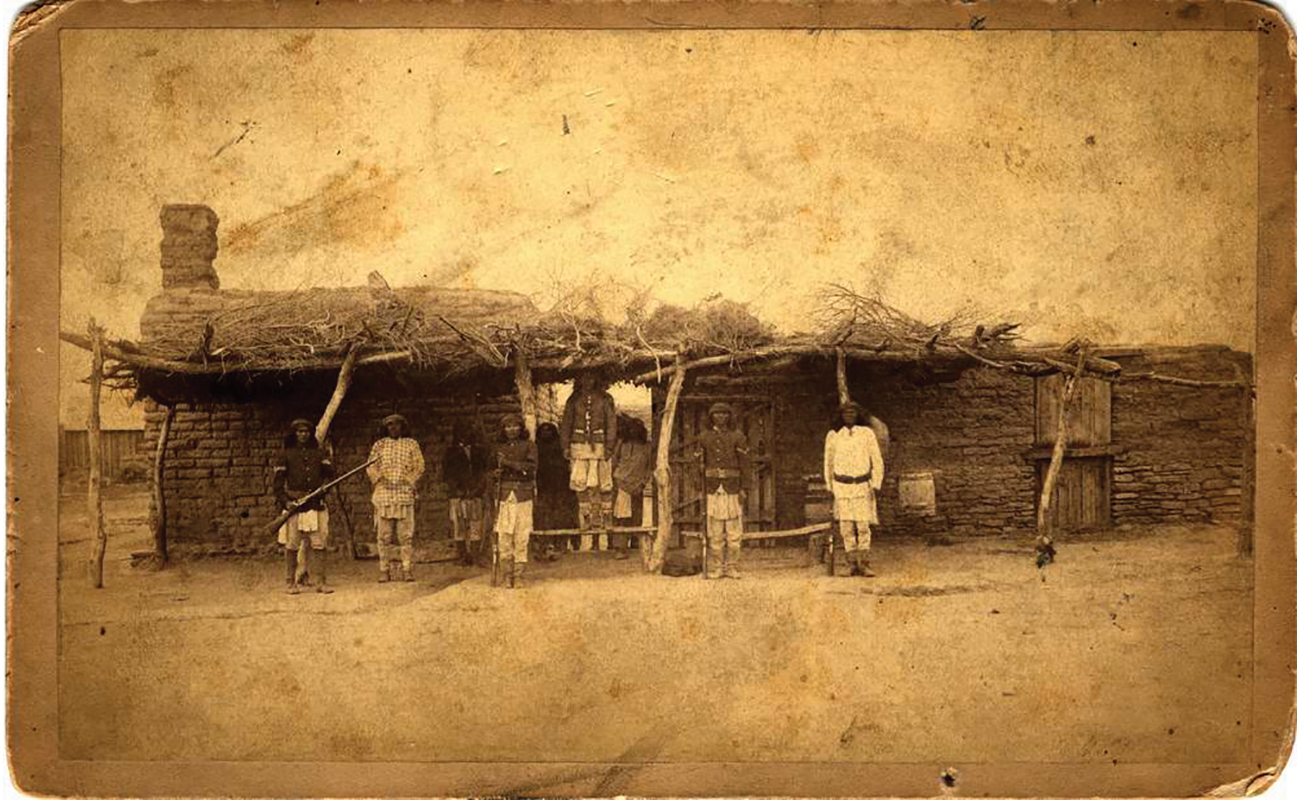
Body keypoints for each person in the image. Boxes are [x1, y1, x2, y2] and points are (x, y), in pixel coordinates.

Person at [272, 418, 335, 594]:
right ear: (294, 434)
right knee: (292, 545)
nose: (303, 435)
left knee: (319, 543)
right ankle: (290, 583)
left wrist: (325, 486)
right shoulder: (285, 454)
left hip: (316, 504)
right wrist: (286, 502)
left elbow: (330, 476)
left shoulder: (319, 454)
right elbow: (277, 485)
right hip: (295, 505)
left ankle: (321, 582)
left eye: (306, 432)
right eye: (299, 432)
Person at [823, 401, 885, 577]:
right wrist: (829, 485)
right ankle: (851, 564)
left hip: (862, 486)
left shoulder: (867, 434)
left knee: (863, 526)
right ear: (841, 416)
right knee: (846, 527)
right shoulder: (834, 436)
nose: (849, 416)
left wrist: (876, 483)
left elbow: (877, 460)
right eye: (846, 413)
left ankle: (864, 563)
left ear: (858, 415)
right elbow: (828, 463)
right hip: (842, 487)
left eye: (853, 413)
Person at [559, 372, 617, 551]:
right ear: (580, 380)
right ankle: (585, 517)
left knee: (604, 483)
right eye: (584, 378)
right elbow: (566, 423)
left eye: (592, 378)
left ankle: (606, 516)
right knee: (580, 483)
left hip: (600, 445)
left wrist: (609, 446)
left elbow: (611, 423)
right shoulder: (573, 400)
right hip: (578, 445)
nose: (588, 381)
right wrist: (565, 446)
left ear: (596, 380)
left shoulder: (606, 399)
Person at [366, 413, 425, 583]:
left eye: (397, 424)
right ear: (386, 428)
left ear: (402, 427)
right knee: (384, 536)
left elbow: (420, 466)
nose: (393, 428)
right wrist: (380, 478)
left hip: (403, 494)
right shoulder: (380, 445)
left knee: (405, 536)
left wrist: (408, 480)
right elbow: (370, 466)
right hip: (384, 494)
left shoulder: (411, 444)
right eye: (390, 425)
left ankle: (406, 569)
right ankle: (384, 570)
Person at [694, 402, 750, 580]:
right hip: (712, 488)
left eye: (724, 414)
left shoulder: (738, 436)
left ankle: (732, 567)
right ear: (711, 417)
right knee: (714, 530)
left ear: (729, 417)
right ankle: (717, 567)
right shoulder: (704, 437)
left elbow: (745, 464)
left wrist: (744, 487)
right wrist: (699, 486)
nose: (721, 417)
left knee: (734, 531)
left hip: (733, 488)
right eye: (716, 414)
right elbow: (697, 465)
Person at [491, 414, 538, 588]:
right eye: (507, 426)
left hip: (523, 495)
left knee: (521, 535)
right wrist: (495, 473)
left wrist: (508, 463)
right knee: (504, 536)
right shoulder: (498, 447)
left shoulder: (529, 446)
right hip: (503, 496)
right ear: (503, 429)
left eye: (515, 426)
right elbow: (489, 470)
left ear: (521, 428)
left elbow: (531, 468)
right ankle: (506, 575)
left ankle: (518, 576)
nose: (511, 430)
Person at [442, 420, 488, 567]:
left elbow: (483, 472)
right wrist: (457, 490)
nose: (465, 435)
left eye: (468, 431)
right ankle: (462, 556)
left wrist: (477, 490)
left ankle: (475, 556)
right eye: (461, 432)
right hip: (457, 495)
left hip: (475, 494)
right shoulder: (450, 452)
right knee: (458, 525)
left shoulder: (479, 451)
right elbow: (447, 474)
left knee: (476, 525)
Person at [611, 416, 652, 559]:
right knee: (621, 517)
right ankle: (620, 548)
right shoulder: (622, 444)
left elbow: (649, 468)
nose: (634, 432)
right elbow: (614, 462)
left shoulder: (647, 447)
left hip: (637, 485)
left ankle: (634, 544)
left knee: (636, 515)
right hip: (621, 484)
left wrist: (643, 483)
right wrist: (616, 480)